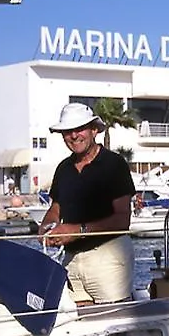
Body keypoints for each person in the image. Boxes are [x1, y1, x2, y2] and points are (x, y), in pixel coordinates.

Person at [40, 102, 136, 304]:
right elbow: (56, 207)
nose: (74, 136)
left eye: (79, 129)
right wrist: (46, 227)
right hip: (71, 261)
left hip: (108, 256)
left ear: (94, 130)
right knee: (79, 324)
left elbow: (122, 219)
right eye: (67, 131)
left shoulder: (114, 164)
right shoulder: (63, 168)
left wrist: (76, 230)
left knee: (114, 323)